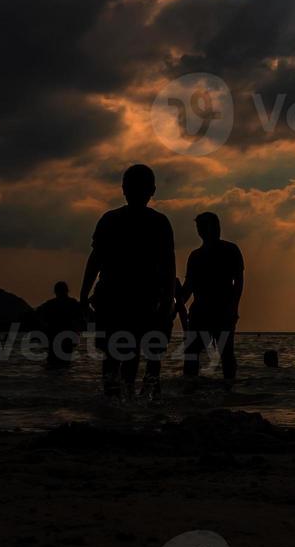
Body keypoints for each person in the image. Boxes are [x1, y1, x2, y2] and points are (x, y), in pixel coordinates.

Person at [79, 164, 175, 399]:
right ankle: (128, 401)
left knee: (116, 355)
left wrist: (84, 294)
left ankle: (117, 403)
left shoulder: (113, 220)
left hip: (128, 298)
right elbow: (168, 266)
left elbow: (95, 260)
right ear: (152, 190)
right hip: (130, 298)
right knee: (129, 354)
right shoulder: (156, 222)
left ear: (123, 189)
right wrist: (167, 299)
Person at [178, 212, 244, 386]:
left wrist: (233, 308)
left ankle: (229, 387)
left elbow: (238, 281)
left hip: (223, 310)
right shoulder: (195, 256)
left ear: (217, 228)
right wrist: (177, 301)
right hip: (200, 311)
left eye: (206, 227)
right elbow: (189, 287)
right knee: (192, 353)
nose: (204, 231)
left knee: (226, 352)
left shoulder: (231, 250)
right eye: (201, 228)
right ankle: (190, 389)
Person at [36, 281, 87, 367]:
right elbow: (80, 319)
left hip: (55, 336)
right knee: (65, 363)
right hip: (66, 337)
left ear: (55, 292)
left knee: (53, 363)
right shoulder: (72, 303)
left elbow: (39, 315)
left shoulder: (50, 304)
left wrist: (44, 329)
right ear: (67, 291)